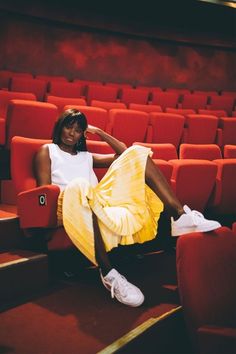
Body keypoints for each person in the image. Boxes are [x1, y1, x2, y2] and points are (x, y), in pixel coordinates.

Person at [34, 108, 221, 307]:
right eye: (68, 127)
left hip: (94, 198)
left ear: (83, 134)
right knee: (80, 185)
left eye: (78, 130)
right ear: (60, 127)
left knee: (137, 152)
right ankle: (108, 273)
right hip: (66, 202)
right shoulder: (47, 150)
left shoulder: (86, 156)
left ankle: (180, 216)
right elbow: (45, 190)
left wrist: (100, 132)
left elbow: (123, 153)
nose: (72, 133)